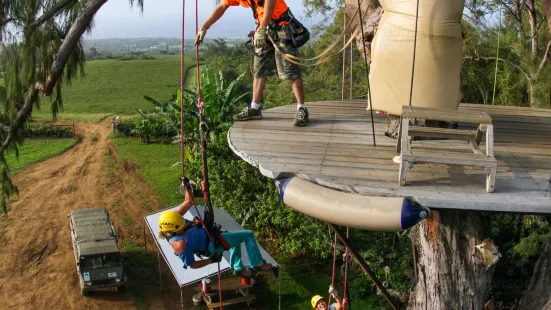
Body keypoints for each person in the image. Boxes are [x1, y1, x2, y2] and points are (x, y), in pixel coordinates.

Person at [194, 0, 309, 127]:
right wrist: (204, 27)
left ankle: (301, 108)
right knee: (259, 69)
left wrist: (262, 28)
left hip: (282, 26)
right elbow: (222, 6)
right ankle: (255, 107)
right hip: (264, 28)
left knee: (290, 70)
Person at [157, 185, 273, 277]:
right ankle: (257, 263)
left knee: (235, 240)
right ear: (175, 231)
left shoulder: (173, 219)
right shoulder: (179, 245)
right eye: (182, 225)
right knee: (248, 235)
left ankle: (238, 268)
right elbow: (192, 264)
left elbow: (188, 202)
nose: (184, 223)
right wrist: (211, 260)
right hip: (212, 245)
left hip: (212, 235)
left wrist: (186, 185)